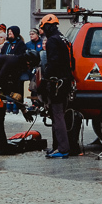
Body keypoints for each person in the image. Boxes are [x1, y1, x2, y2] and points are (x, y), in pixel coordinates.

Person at [38, 14, 75, 159]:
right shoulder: (63, 38)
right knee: (60, 114)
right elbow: (72, 60)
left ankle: (63, 148)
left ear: (48, 26)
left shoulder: (53, 40)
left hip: (57, 82)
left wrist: (44, 81)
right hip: (65, 80)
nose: (43, 31)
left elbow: (53, 63)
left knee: (57, 114)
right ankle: (60, 146)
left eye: (43, 28)